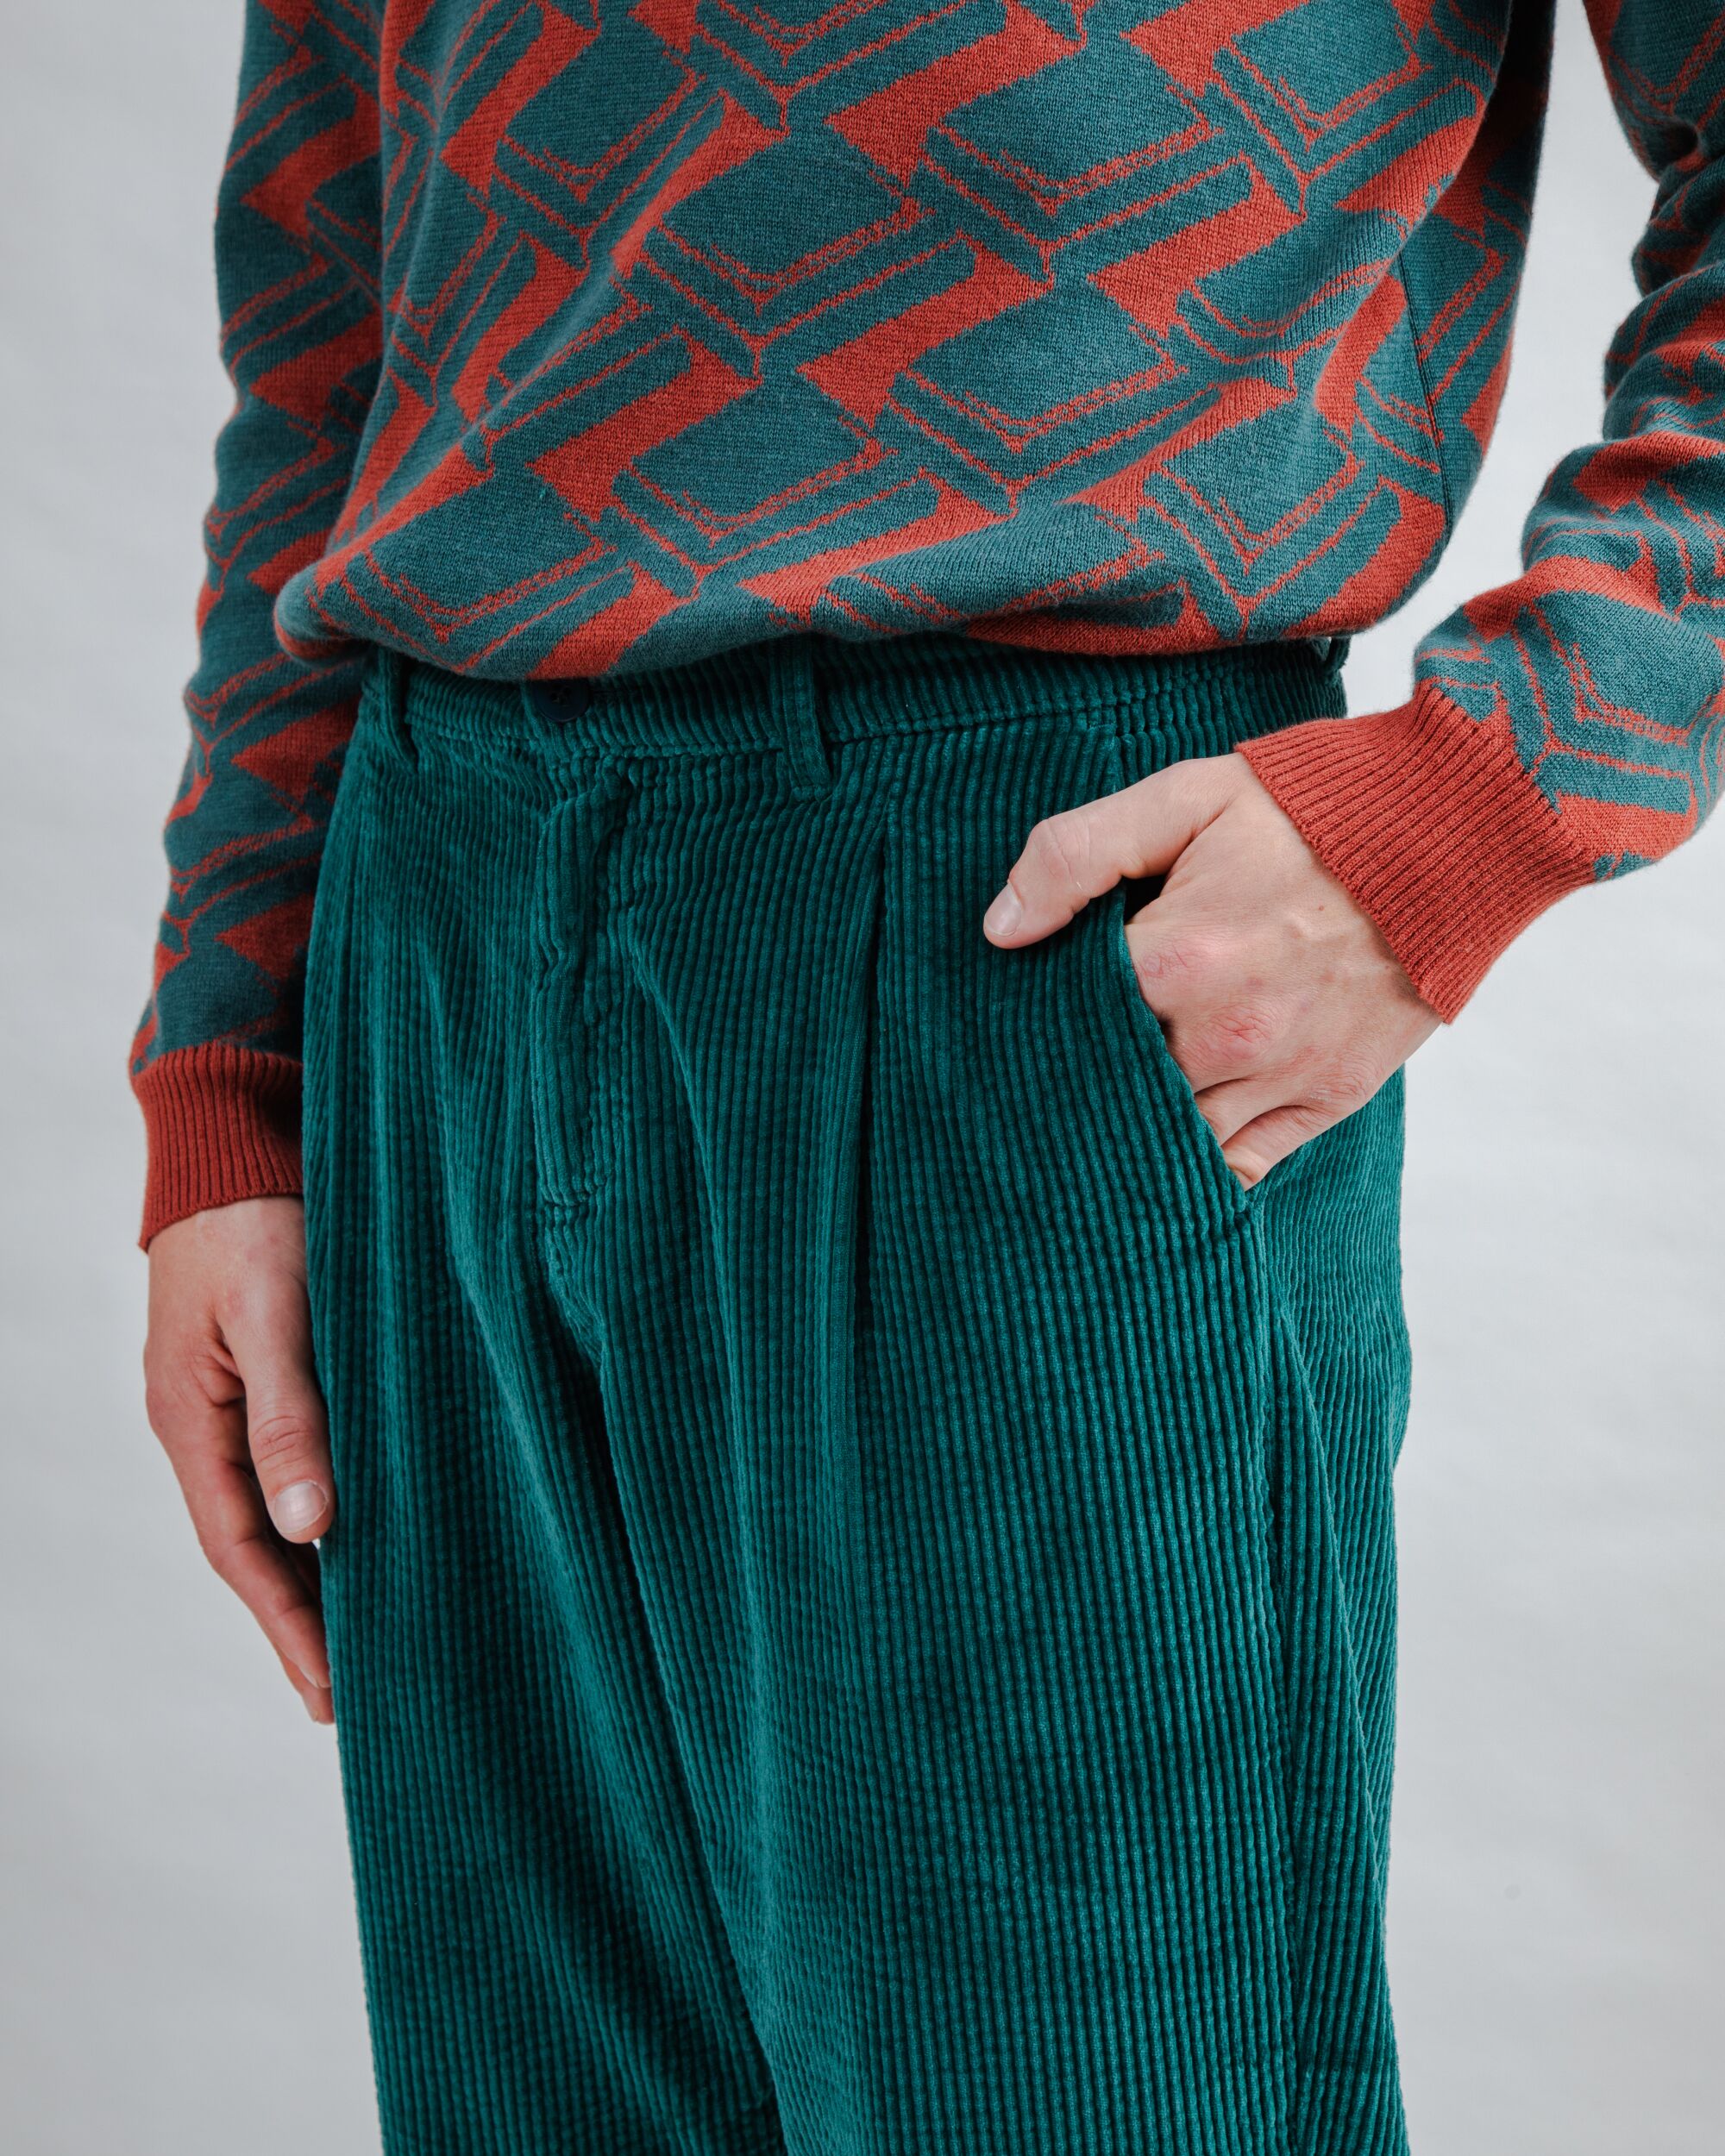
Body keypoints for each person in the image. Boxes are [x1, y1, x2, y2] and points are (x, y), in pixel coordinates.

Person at [135, 3, 1722, 2149]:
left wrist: (1492, 781)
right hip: (428, 914)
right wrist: (232, 1060)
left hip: (1026, 907)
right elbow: (328, 273)